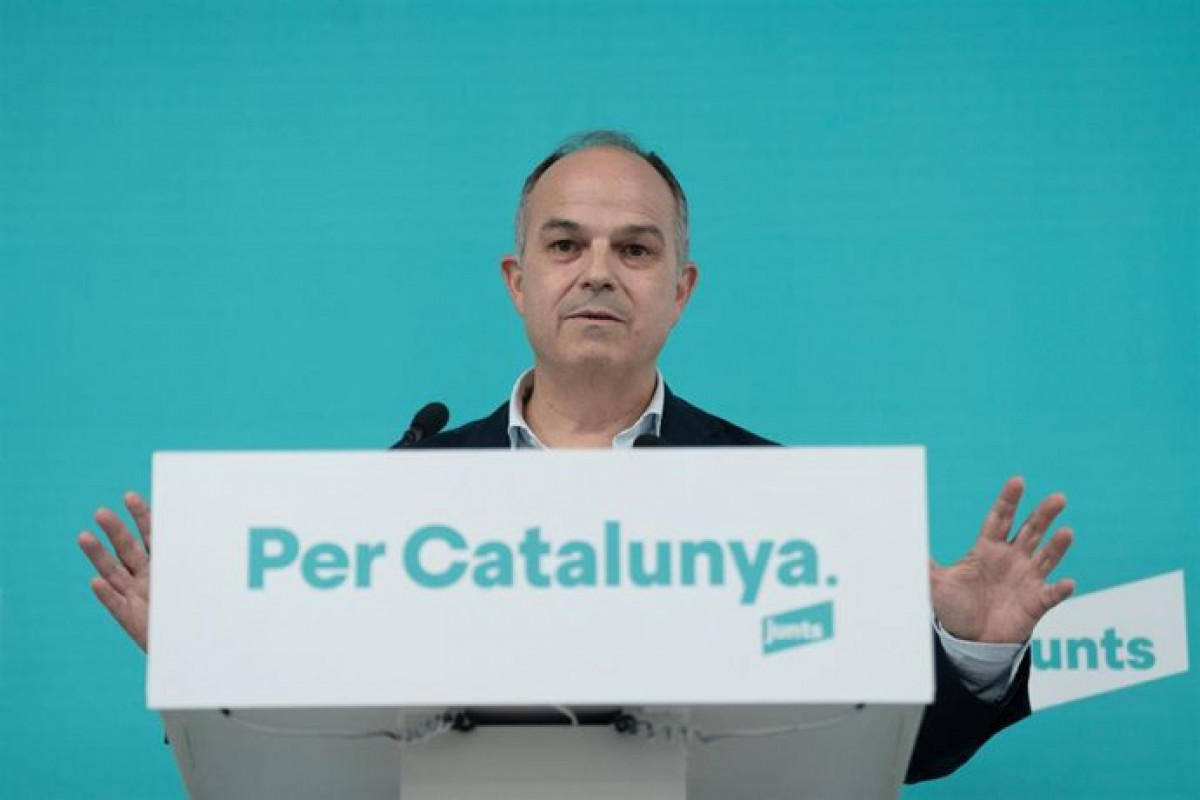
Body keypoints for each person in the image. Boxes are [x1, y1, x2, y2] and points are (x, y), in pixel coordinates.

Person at [78, 130, 1076, 784]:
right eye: (565, 246)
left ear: (682, 288)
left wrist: (972, 653)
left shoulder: (787, 498)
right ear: (517, 280)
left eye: (635, 249)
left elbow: (887, 753)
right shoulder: (390, 501)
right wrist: (210, 659)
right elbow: (320, 745)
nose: (598, 271)